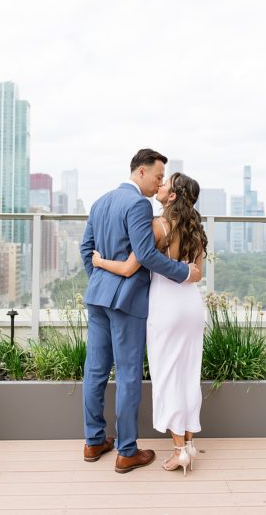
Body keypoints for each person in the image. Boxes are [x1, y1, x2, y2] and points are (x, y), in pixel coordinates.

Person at [80, 149, 202, 474]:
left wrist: (100, 281)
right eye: (158, 176)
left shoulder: (100, 201)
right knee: (128, 374)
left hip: (98, 298)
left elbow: (85, 250)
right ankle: (126, 451)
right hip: (128, 300)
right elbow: (146, 253)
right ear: (142, 172)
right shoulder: (138, 204)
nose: (160, 182)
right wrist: (185, 273)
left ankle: (93, 442)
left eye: (164, 179)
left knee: (95, 370)